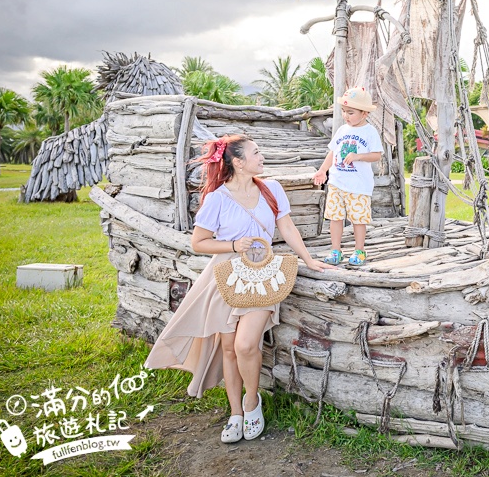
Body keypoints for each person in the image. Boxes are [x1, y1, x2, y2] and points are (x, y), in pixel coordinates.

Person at [144, 134, 334, 444]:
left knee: (246, 344)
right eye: (256, 153)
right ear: (238, 162)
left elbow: (286, 226)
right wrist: (233, 244)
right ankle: (234, 412)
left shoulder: (271, 189)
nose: (262, 157)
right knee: (230, 348)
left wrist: (309, 260)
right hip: (227, 275)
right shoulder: (217, 198)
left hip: (262, 272)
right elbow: (199, 242)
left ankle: (251, 401)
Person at [313, 86, 384, 266]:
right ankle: (335, 250)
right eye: (344, 111)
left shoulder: (369, 132)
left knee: (358, 219)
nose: (346, 116)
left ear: (364, 113)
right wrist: (323, 170)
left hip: (358, 186)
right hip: (337, 183)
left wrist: (359, 156)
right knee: (335, 217)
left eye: (351, 112)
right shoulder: (342, 130)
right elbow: (332, 152)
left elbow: (377, 154)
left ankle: (359, 251)